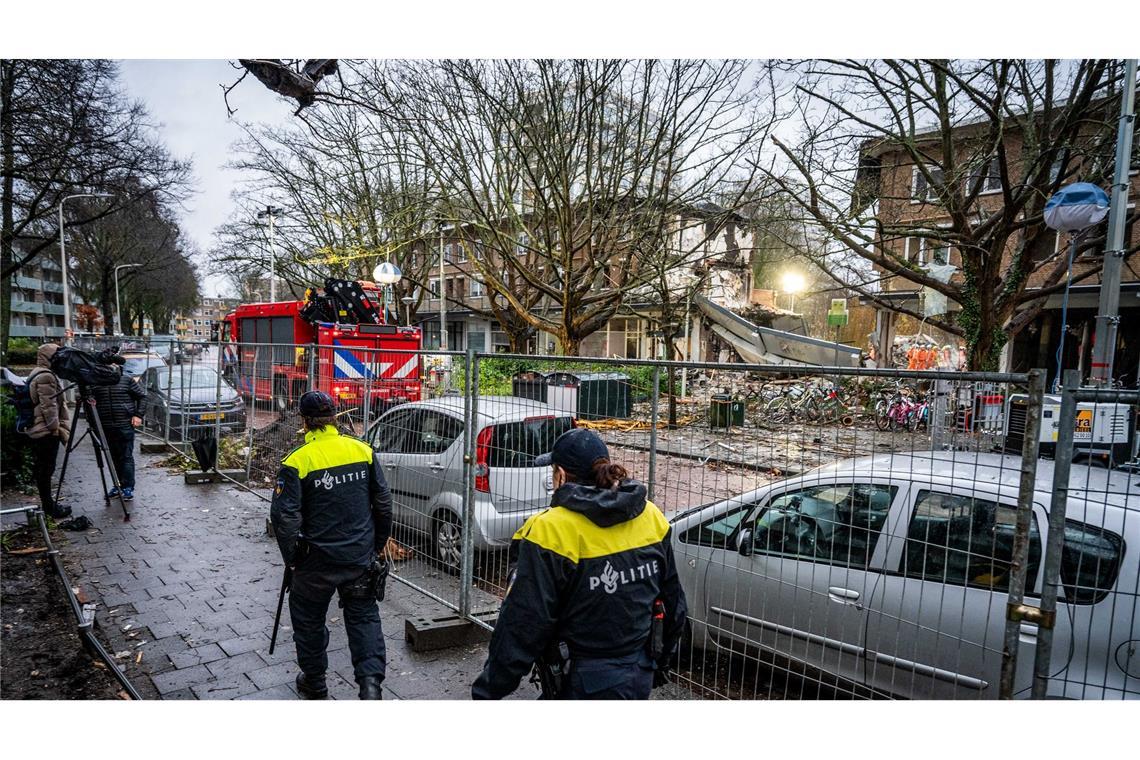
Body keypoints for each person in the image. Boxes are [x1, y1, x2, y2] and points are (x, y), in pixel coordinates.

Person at [471, 427, 688, 700]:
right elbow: (674, 602)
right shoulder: (650, 515)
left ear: (560, 475)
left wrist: (489, 690)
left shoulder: (549, 531)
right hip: (640, 669)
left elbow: (522, 623)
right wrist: (662, 660)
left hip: (581, 678)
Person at [270, 390, 393, 700]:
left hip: (315, 565)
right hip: (357, 558)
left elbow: (285, 520)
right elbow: (383, 503)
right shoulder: (362, 451)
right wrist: (375, 546)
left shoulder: (297, 461)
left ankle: (314, 681)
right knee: (364, 618)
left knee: (309, 621)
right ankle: (370, 686)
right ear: (335, 417)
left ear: (304, 421)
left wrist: (293, 560)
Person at [25, 343, 72, 519]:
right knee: (46, 469)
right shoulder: (46, 376)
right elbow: (49, 406)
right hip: (45, 431)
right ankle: (49, 507)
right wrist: (55, 429)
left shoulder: (38, 372)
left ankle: (48, 505)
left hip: (39, 428)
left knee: (43, 469)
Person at [89, 368, 146, 501]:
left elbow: (142, 397)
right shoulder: (96, 382)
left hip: (124, 424)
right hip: (105, 426)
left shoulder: (126, 380)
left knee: (125, 456)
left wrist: (138, 415)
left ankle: (127, 487)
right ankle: (118, 485)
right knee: (112, 457)